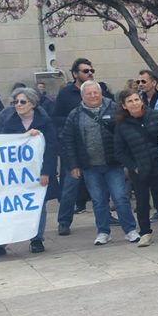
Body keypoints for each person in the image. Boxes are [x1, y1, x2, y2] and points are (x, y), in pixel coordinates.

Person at [0, 88, 57, 260]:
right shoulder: (8, 120)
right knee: (8, 207)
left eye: (22, 102)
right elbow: (4, 145)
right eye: (16, 102)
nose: (18, 105)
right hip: (14, 174)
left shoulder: (44, 121)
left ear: (32, 103)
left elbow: (51, 150)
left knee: (38, 206)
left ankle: (36, 239)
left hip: (36, 173)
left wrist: (46, 173)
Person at [60, 81, 140, 245]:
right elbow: (68, 141)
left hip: (113, 164)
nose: (93, 96)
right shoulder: (75, 115)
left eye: (95, 92)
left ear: (101, 93)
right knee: (98, 200)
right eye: (89, 93)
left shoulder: (114, 109)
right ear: (82, 96)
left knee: (120, 198)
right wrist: (73, 166)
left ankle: (130, 230)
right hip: (90, 166)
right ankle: (103, 232)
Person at [53, 58, 110, 229]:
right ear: (75, 74)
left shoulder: (99, 90)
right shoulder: (66, 93)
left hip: (97, 148)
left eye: (92, 70)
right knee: (70, 187)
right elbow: (55, 118)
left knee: (102, 187)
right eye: (86, 71)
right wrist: (75, 120)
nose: (90, 73)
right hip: (74, 149)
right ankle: (64, 221)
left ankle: (106, 217)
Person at [113, 88, 158, 247]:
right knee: (142, 202)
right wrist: (133, 166)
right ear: (124, 106)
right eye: (130, 101)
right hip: (139, 169)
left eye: (136, 99)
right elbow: (119, 151)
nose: (134, 103)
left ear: (141, 101)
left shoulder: (156, 116)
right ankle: (145, 232)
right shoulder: (122, 125)